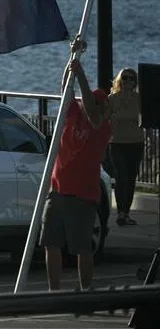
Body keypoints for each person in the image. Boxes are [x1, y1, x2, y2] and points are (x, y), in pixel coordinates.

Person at [41, 39, 111, 292]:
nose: (88, 104)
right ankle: (54, 291)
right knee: (51, 242)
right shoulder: (72, 115)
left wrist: (81, 75)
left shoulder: (102, 127)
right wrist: (73, 57)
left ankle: (86, 290)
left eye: (96, 102)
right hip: (58, 189)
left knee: (82, 247)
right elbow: (65, 89)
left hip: (83, 194)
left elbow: (93, 113)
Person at [107, 67, 144, 226]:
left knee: (130, 179)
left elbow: (144, 118)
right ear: (120, 80)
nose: (128, 81)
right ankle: (121, 212)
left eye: (132, 78)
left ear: (135, 82)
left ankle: (126, 213)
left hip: (136, 142)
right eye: (125, 78)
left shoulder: (139, 98)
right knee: (121, 177)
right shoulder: (112, 98)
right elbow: (106, 118)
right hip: (117, 142)